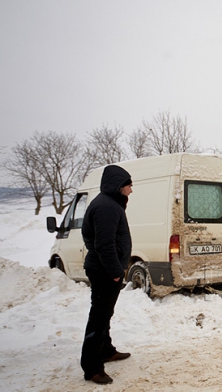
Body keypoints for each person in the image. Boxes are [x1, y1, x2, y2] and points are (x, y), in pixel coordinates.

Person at [80, 165, 133, 384]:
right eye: (129, 185)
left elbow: (93, 239)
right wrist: (114, 271)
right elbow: (103, 244)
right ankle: (92, 367)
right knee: (99, 318)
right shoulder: (107, 207)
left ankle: (107, 350)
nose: (131, 190)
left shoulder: (107, 203)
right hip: (104, 270)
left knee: (104, 314)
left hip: (102, 268)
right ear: (118, 186)